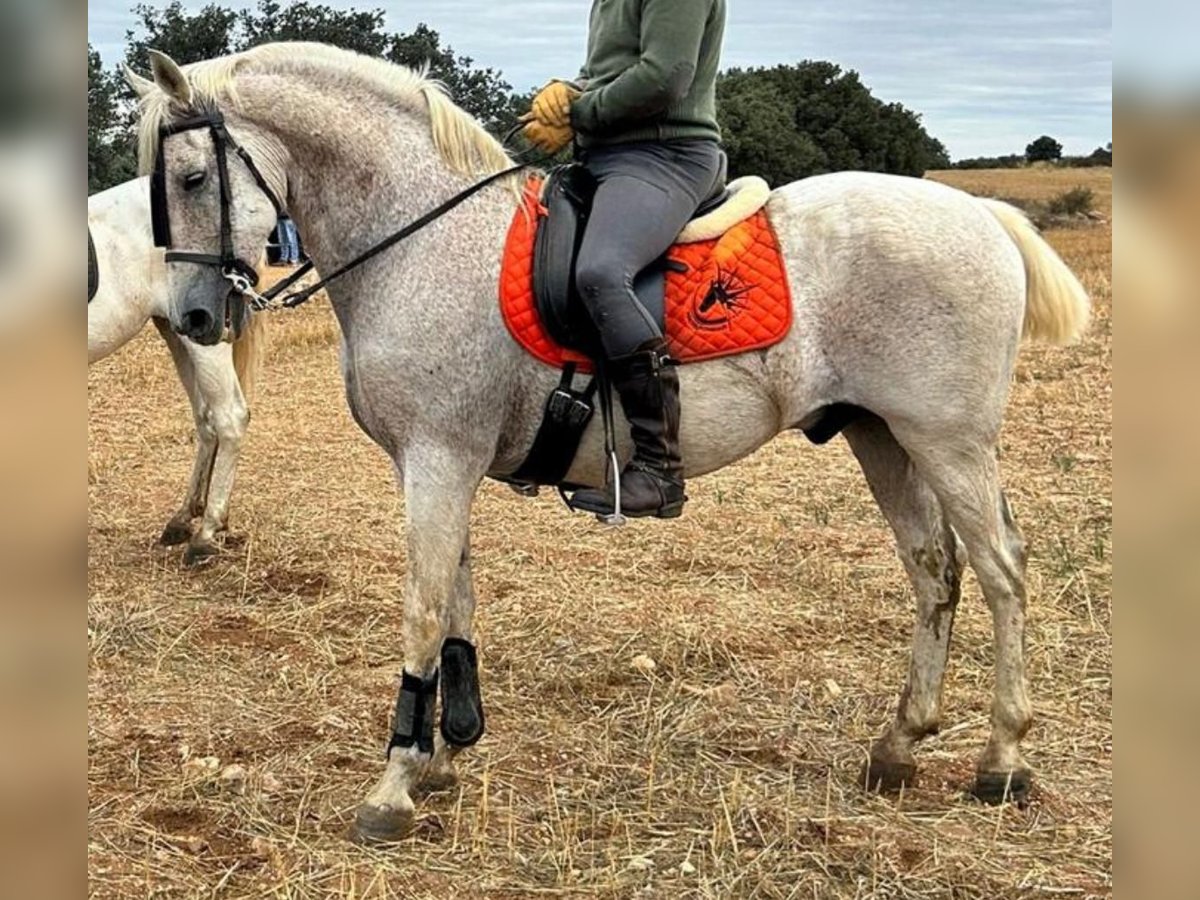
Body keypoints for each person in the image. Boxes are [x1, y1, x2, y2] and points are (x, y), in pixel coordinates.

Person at [523, 0, 727, 519]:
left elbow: (665, 77)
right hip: (604, 158)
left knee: (601, 271)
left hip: (666, 155)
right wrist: (566, 89)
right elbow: (607, 73)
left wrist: (576, 112)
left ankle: (660, 468)